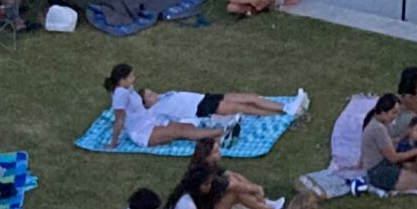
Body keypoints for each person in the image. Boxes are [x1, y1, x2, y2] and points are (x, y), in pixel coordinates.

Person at [102, 63, 292, 147]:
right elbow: (120, 120)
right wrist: (114, 142)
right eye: (131, 76)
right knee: (180, 131)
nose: (135, 78)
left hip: (152, 121)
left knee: (184, 127)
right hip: (141, 131)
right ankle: (222, 133)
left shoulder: (127, 90)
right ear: (123, 79)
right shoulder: (120, 94)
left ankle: (220, 135)